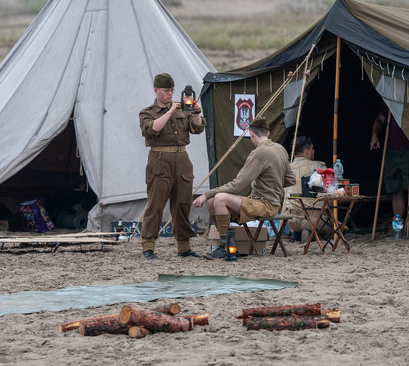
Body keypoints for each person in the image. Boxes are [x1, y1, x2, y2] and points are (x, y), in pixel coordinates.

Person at [193, 115, 295, 258]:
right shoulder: (280, 149)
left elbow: (236, 186)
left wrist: (206, 194)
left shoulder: (259, 153)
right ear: (268, 133)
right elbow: (291, 179)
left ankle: (225, 246)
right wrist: (273, 183)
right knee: (212, 201)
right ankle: (227, 239)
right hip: (269, 203)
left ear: (251, 134)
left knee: (219, 198)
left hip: (264, 204)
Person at [138, 72, 206, 260]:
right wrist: (169, 112)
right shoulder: (147, 112)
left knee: (182, 204)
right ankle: (148, 246)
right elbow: (151, 129)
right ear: (156, 90)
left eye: (172, 90)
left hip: (182, 159)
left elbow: (198, 128)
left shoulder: (183, 109)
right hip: (160, 159)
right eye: (166, 91)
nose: (170, 94)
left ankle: (184, 246)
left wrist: (197, 113)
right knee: (156, 204)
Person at [370, 103, 409, 220]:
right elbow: (380, 119)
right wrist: (374, 135)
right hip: (393, 150)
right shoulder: (390, 97)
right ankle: (399, 225)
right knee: (396, 189)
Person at [283, 135, 331, 243]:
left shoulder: (286, 170)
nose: (314, 151)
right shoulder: (320, 168)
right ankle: (313, 232)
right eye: (312, 149)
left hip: (292, 220)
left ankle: (295, 233)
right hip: (316, 220)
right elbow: (329, 195)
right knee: (328, 217)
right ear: (307, 151)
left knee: (288, 201)